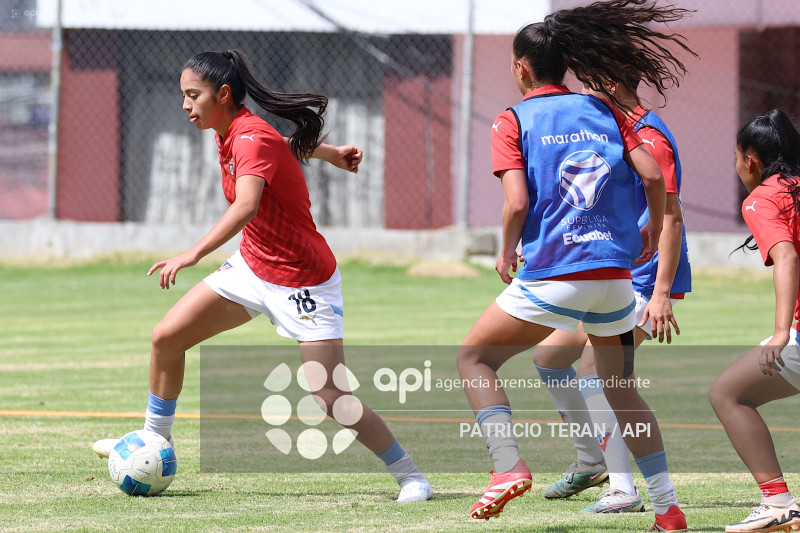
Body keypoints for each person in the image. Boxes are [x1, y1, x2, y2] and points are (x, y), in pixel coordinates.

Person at [92, 49, 433, 503]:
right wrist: (329, 153)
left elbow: (246, 204)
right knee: (167, 338)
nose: (185, 104)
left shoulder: (247, 136)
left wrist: (192, 253)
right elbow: (278, 147)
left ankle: (412, 477)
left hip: (303, 281)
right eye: (183, 95)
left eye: (192, 95)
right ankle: (156, 443)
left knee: (330, 396)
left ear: (224, 94)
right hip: (253, 266)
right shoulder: (232, 131)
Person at [456, 1, 693, 530]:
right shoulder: (604, 109)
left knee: (475, 360)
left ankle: (506, 468)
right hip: (614, 280)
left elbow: (516, 202)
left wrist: (504, 248)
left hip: (556, 274)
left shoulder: (512, 119)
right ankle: (668, 507)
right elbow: (653, 176)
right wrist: (650, 225)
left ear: (522, 68)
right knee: (620, 389)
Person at [536, 74, 692, 515]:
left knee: (597, 370)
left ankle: (623, 488)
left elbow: (672, 217)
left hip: (645, 281)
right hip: (617, 273)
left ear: (610, 80)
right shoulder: (616, 127)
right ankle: (592, 462)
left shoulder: (649, 135)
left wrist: (661, 292)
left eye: (588, 83)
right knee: (549, 359)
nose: (583, 93)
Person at [710, 109, 800, 533]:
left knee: (728, 394)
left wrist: (782, 332)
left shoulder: (763, 197)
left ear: (751, 159)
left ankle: (778, 502)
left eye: (735, 156)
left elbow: (786, 255)